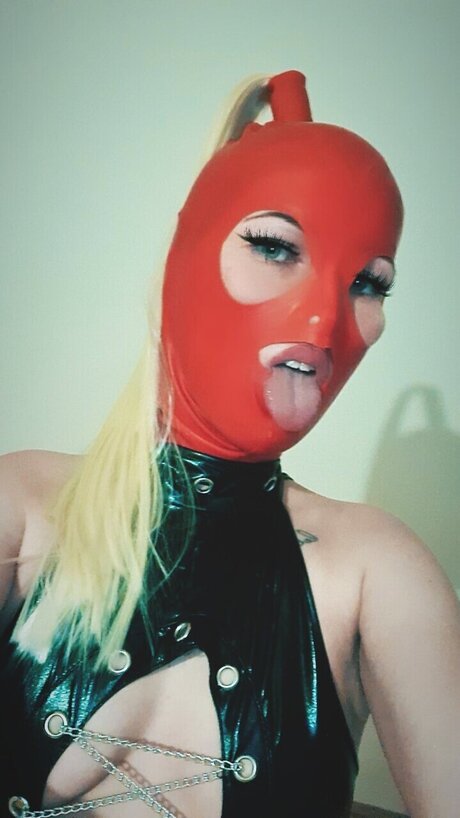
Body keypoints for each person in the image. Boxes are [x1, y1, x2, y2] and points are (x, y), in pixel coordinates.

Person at [0, 69, 459, 818]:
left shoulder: (378, 571)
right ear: (183, 257)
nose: (325, 321)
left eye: (368, 283)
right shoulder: (20, 507)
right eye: (275, 247)